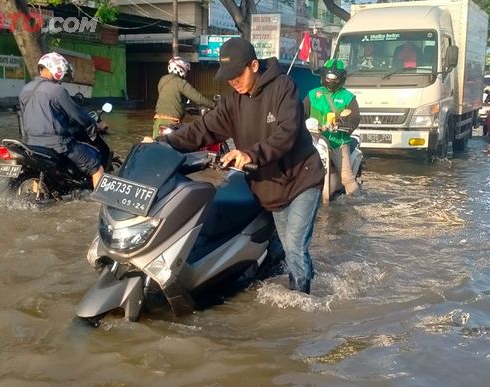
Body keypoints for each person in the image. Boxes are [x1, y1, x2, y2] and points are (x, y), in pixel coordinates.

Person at [145, 37, 324, 294]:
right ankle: (302, 274)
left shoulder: (284, 87)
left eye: (236, 75)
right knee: (288, 246)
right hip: (269, 186)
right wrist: (163, 143)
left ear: (253, 65)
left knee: (295, 246)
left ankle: (302, 300)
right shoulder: (233, 103)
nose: (233, 81)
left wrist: (251, 154)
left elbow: (288, 132)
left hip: (301, 179)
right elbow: (202, 129)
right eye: (228, 77)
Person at [19, 52, 106, 189]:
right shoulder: (57, 91)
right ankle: (100, 206)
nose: (62, 78)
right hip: (58, 144)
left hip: (32, 144)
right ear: (55, 69)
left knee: (38, 172)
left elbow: (25, 116)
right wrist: (95, 126)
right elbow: (77, 115)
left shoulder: (26, 89)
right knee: (96, 167)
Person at [303, 59, 361, 195]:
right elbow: (301, 112)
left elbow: (355, 118)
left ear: (341, 78)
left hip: (338, 142)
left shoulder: (348, 97)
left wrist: (343, 125)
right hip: (315, 140)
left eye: (334, 78)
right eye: (328, 77)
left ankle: (355, 202)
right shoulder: (313, 94)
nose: (331, 81)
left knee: (347, 178)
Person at [152, 57, 215, 137]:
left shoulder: (162, 80)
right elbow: (198, 99)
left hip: (158, 121)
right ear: (181, 69)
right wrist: (215, 105)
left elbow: (172, 100)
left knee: (156, 144)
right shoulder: (181, 83)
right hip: (172, 123)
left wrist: (186, 110)